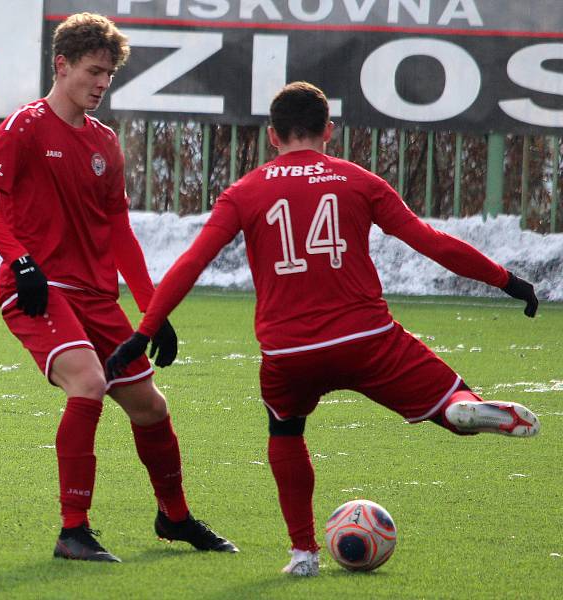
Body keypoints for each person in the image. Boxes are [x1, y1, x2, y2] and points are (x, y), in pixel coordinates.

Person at [107, 81, 541, 576]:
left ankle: (303, 553)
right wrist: (507, 280)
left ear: (272, 137)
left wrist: (145, 331)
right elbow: (432, 242)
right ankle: (463, 409)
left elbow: (191, 262)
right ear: (328, 132)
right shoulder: (358, 180)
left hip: (288, 351)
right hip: (367, 338)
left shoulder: (244, 193)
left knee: (286, 430)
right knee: (449, 403)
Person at [0, 13, 236, 562]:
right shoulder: (26, 125)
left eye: (109, 73)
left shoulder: (106, 142)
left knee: (150, 407)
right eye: (93, 71)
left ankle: (174, 517)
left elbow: (118, 231)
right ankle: (72, 530)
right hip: (37, 290)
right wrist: (21, 261)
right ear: (61, 66)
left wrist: (154, 311)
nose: (102, 82)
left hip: (95, 298)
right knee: (87, 382)